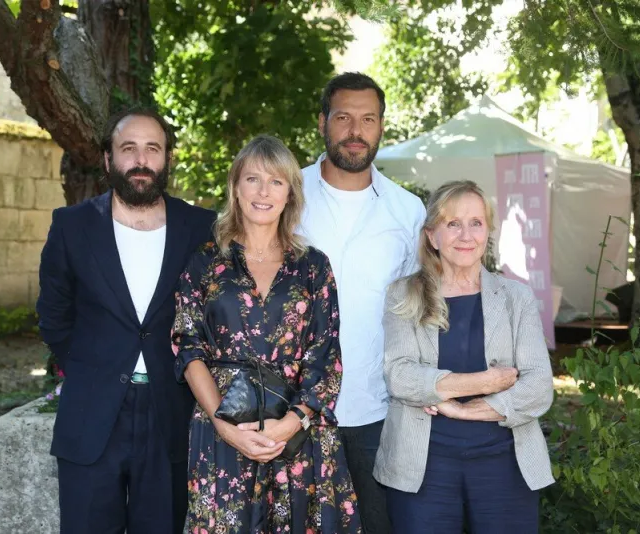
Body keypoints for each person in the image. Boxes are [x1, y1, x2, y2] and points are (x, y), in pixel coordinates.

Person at [36, 107, 216, 534]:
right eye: (128, 148)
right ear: (107, 158)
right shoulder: (72, 225)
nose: (140, 160)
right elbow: (53, 316)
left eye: (152, 148)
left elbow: (214, 317)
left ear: (167, 158)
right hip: (92, 413)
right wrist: (91, 367)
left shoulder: (201, 227)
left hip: (171, 411)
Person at [172, 135, 361, 533]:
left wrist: (290, 424)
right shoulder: (204, 262)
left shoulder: (313, 267)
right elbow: (188, 347)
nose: (263, 191)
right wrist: (224, 425)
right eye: (253, 179)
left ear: (290, 193)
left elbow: (326, 355)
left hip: (298, 437)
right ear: (235, 187)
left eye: (276, 181)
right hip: (223, 429)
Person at [374, 180, 555, 533]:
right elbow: (400, 376)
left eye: (476, 223)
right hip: (423, 467)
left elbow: (538, 388)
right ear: (432, 235)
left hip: (505, 463)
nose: (466, 235)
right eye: (453, 223)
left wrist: (460, 409)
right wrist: (486, 382)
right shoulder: (404, 294)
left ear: (488, 231)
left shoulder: (516, 297)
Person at [298, 72, 426, 533]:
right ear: (322, 123)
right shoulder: (285, 195)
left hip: (379, 409)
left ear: (381, 127)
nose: (356, 131)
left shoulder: (407, 211)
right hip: (295, 408)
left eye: (368, 119)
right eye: (343, 118)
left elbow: (422, 310)